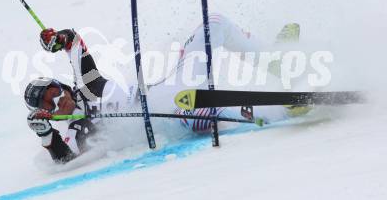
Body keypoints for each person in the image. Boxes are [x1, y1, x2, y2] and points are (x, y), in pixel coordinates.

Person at [25, 14, 309, 163]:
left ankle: (274, 60)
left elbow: (75, 42)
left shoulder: (89, 87)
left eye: (55, 91)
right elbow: (64, 159)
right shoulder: (76, 132)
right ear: (47, 114)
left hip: (174, 84)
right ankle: (286, 110)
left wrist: (58, 39)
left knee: (215, 24)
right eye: (50, 104)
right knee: (205, 114)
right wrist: (47, 136)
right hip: (174, 113)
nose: (59, 100)